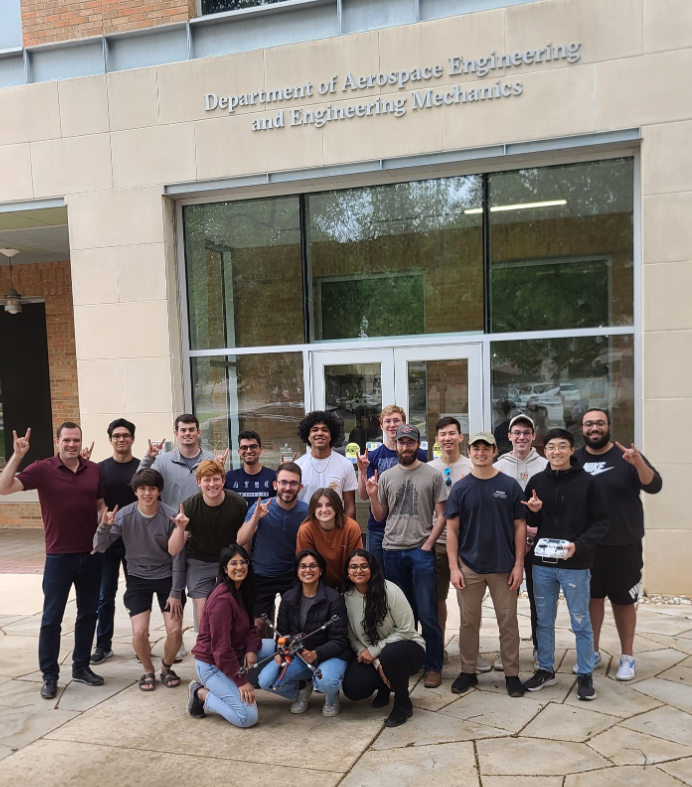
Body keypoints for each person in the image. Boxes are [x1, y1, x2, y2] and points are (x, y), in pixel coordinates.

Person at [0, 424, 106, 699]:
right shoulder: (41, 468)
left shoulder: (93, 469)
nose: (72, 444)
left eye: (76, 440)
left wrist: (104, 526)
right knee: (51, 619)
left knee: (88, 615)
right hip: (59, 556)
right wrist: (17, 456)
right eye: (67, 440)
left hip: (91, 555)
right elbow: (4, 487)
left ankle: (81, 667)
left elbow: (99, 507)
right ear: (58, 442)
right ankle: (49, 676)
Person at [574, 408, 662, 680]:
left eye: (599, 423)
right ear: (582, 429)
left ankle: (627, 656)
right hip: (588, 545)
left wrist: (638, 464)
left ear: (609, 426)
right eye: (589, 424)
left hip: (624, 542)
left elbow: (654, 486)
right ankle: (592, 652)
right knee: (592, 599)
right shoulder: (574, 459)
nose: (594, 428)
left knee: (624, 601)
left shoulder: (627, 455)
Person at [522, 429, 610, 701]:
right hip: (542, 564)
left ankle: (585, 674)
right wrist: (533, 512)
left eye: (562, 446)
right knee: (543, 621)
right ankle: (545, 669)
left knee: (580, 621)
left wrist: (579, 545)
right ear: (544, 451)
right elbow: (529, 524)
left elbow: (602, 522)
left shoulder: (588, 483)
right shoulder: (537, 481)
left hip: (576, 563)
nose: (556, 451)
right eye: (551, 447)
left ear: (573, 450)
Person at [444, 431, 527, 698]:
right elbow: (452, 530)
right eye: (476, 448)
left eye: (486, 448)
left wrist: (519, 565)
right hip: (470, 565)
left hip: (504, 566)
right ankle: (468, 671)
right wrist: (454, 568)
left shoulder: (510, 485)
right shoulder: (461, 487)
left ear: (494, 451)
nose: (481, 453)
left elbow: (519, 526)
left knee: (508, 621)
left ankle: (512, 674)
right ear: (469, 452)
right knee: (469, 622)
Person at [366, 423, 446, 688]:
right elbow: (379, 516)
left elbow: (442, 515)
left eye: (410, 442)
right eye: (402, 442)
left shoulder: (432, 475)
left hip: (420, 551)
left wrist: (428, 544)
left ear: (418, 445)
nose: (406, 447)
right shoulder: (387, 476)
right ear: (397, 444)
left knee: (427, 611)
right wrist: (371, 495)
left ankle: (434, 666)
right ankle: (412, 660)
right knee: (403, 614)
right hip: (392, 550)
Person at [93, 469, 187, 691]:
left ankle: (165, 667)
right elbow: (99, 546)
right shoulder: (125, 515)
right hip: (138, 578)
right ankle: (148, 670)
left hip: (167, 577)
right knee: (139, 632)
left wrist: (175, 592)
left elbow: (178, 557)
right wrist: (104, 526)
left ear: (159, 491)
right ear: (135, 491)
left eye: (152, 488)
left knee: (174, 632)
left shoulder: (171, 516)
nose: (147, 493)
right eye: (142, 488)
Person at [187, 545, 275, 727]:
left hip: (238, 653)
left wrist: (252, 650)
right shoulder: (222, 601)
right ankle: (200, 693)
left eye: (243, 562)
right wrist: (241, 681)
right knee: (247, 718)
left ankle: (297, 690)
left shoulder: (242, 591)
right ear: (225, 568)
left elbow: (251, 628)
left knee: (280, 649)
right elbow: (221, 650)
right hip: (212, 665)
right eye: (233, 563)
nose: (239, 567)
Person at [257, 549, 351, 717]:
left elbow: (340, 640)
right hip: (300, 656)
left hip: (329, 655)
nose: (308, 570)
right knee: (266, 681)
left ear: (321, 570)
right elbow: (282, 634)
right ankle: (301, 689)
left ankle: (331, 696)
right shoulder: (288, 598)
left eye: (313, 566)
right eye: (303, 566)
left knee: (327, 682)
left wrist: (316, 653)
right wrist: (281, 652)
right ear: (297, 571)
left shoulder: (334, 598)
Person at [342, 549, 425, 728]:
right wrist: (375, 661)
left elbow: (407, 630)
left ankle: (403, 703)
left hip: (407, 648)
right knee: (354, 688)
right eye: (353, 567)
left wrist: (375, 651)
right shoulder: (347, 598)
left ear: (372, 568)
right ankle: (384, 686)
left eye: (364, 566)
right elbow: (352, 637)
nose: (359, 570)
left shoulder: (390, 591)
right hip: (376, 655)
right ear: (347, 572)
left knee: (390, 654)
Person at [494, 414, 548, 670]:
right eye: (517, 432)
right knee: (507, 601)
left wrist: (532, 532)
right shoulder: (499, 466)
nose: (522, 437)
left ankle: (541, 648)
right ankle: (508, 650)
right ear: (509, 436)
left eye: (527, 432)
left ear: (534, 436)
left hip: (538, 543)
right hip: (507, 542)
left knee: (539, 598)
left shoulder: (546, 466)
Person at [168, 460, 248, 621]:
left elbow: (244, 542)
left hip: (229, 561)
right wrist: (180, 528)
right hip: (200, 562)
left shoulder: (238, 503)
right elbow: (173, 549)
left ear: (223, 480)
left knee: (231, 611)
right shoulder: (189, 506)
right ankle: (208, 645)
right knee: (204, 613)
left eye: (216, 479)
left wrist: (245, 565)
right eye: (207, 480)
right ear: (199, 483)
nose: (212, 484)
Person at [237, 463, 308, 637]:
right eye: (283, 482)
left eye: (293, 483)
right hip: (262, 574)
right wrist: (255, 519)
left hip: (291, 575)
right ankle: (267, 654)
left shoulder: (307, 511)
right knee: (259, 624)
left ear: (300, 487)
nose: (288, 488)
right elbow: (241, 539)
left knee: (293, 624)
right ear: (275, 485)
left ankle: (286, 657)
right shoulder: (260, 507)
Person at [91, 418, 140, 665]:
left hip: (135, 542)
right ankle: (103, 645)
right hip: (109, 541)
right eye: (117, 436)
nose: (122, 439)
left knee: (136, 595)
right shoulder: (98, 469)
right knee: (104, 595)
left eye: (126, 435)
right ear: (110, 440)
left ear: (132, 438)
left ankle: (140, 643)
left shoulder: (143, 469)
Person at [356, 405, 428, 572]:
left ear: (404, 423)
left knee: (404, 582)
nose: (392, 425)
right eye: (387, 421)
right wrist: (361, 470)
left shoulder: (418, 454)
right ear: (381, 426)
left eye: (396, 420)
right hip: (378, 528)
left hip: (409, 528)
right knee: (378, 580)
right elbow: (363, 495)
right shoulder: (373, 456)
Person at [427, 416, 472, 664]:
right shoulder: (429, 468)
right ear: (437, 439)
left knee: (468, 602)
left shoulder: (472, 466)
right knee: (437, 600)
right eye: (443, 434)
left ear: (460, 436)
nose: (448, 438)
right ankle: (438, 648)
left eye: (452, 433)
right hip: (438, 544)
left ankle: (469, 651)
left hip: (467, 545)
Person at [138, 414, 216, 508]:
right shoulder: (162, 462)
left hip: (203, 521)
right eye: (183, 430)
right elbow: (139, 483)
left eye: (191, 429)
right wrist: (148, 459)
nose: (187, 433)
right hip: (172, 520)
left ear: (198, 432)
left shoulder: (211, 460)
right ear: (176, 434)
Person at [296, 489, 363, 591]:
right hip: (316, 585)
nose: (324, 510)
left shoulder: (351, 527)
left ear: (337, 506)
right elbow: (306, 565)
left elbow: (356, 562)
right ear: (313, 509)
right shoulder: (306, 529)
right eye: (318, 506)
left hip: (347, 583)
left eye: (329, 505)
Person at [295, 410, 357, 519]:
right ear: (308, 435)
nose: (319, 433)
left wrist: (348, 533)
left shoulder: (345, 465)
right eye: (314, 430)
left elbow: (349, 506)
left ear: (331, 435)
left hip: (335, 530)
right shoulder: (298, 466)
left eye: (325, 430)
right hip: (305, 528)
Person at [225, 430, 277, 509]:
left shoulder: (273, 476)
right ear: (239, 452)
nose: (248, 451)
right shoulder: (230, 477)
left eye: (253, 447)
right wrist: (217, 469)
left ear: (261, 450)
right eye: (244, 448)